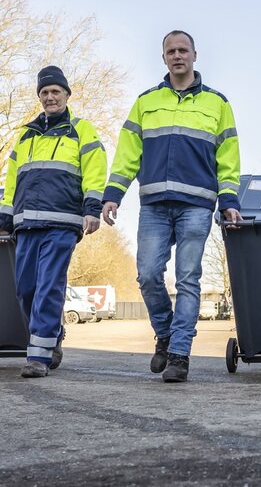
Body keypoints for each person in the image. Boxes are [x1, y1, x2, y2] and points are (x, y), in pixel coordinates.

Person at [102, 30, 242, 382]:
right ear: (163, 58)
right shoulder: (145, 102)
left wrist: (228, 200)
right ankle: (164, 334)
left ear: (195, 55)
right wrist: (112, 194)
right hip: (154, 205)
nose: (177, 55)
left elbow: (228, 159)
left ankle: (179, 353)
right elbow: (127, 156)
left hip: (197, 204)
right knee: (147, 275)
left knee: (189, 279)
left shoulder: (218, 104)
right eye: (170, 51)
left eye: (183, 50)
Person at [0, 66, 107, 378]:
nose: (49, 97)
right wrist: (4, 217)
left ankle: (38, 357)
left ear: (67, 95)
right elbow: (12, 181)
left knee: (47, 287)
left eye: (55, 91)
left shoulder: (81, 130)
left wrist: (92, 208)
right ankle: (52, 336)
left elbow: (96, 171)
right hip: (26, 224)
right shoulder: (26, 135)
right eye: (44, 92)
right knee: (25, 289)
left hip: (62, 223)